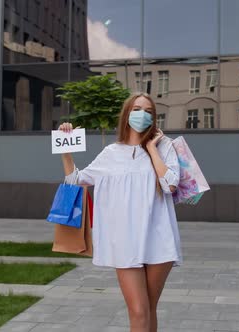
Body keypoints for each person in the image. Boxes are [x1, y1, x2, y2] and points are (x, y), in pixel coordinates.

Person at [58, 92, 182, 332]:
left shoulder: (165, 147)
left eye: (148, 111)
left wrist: (152, 147)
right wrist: (66, 148)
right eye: (137, 109)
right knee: (137, 311)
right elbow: (76, 180)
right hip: (125, 241)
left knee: (148, 311)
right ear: (127, 114)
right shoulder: (111, 153)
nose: (142, 115)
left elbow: (170, 185)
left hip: (159, 239)